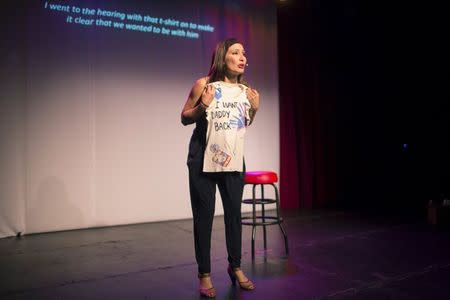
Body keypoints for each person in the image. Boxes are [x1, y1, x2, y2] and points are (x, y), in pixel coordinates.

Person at [181, 38, 260, 298]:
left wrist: (255, 110)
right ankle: (204, 274)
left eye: (244, 53)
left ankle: (234, 266)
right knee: (204, 217)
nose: (242, 57)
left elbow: (240, 126)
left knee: (233, 216)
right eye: (236, 52)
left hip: (233, 159)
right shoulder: (204, 84)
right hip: (203, 157)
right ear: (222, 56)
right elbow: (184, 117)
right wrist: (203, 104)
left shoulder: (245, 90)